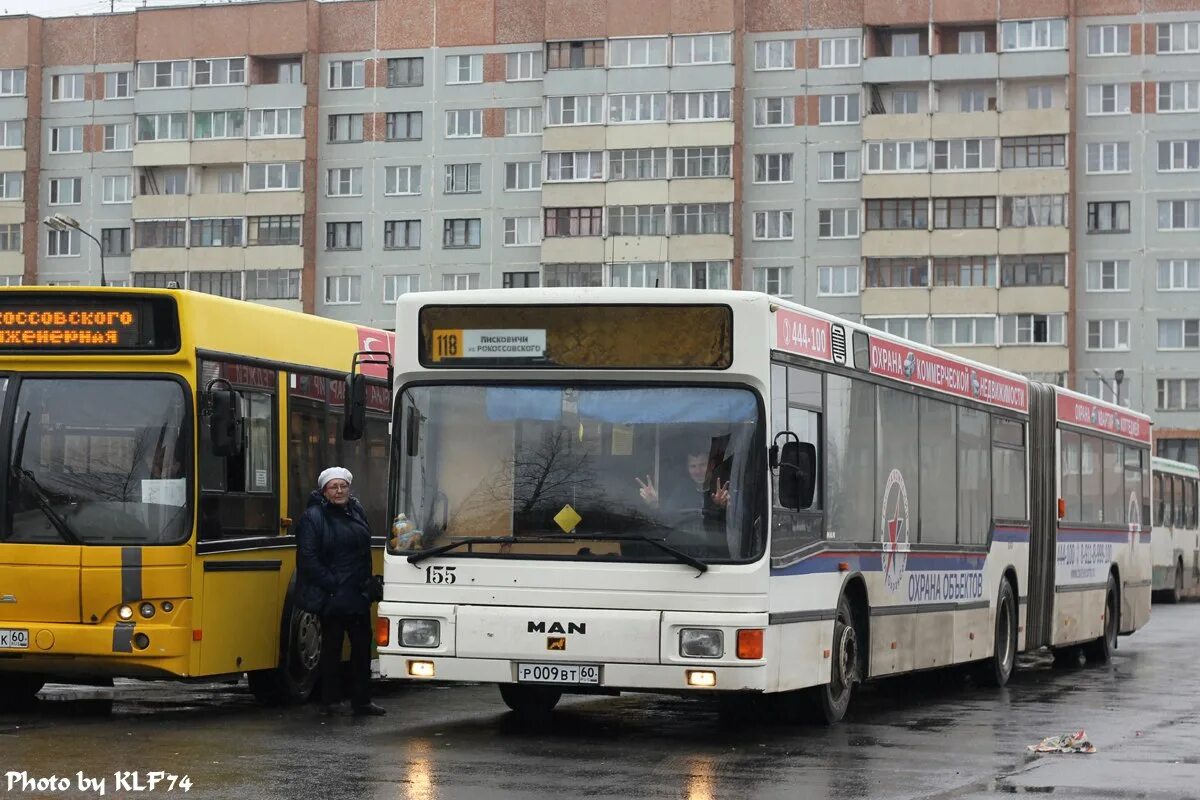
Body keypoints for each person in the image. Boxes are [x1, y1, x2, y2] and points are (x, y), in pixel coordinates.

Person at [295, 466, 386, 717]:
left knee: (361, 650)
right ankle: (330, 700)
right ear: (324, 491)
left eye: (343, 486)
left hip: (357, 594)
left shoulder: (356, 511)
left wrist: (366, 584)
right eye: (333, 487)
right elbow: (308, 558)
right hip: (332, 596)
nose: (339, 491)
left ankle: (362, 700)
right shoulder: (313, 517)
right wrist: (333, 583)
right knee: (331, 650)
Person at [636, 449, 730, 524]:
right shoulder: (682, 490)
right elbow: (667, 520)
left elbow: (738, 523)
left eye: (702, 465)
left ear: (711, 465)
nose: (697, 471)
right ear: (687, 468)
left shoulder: (725, 487)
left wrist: (722, 507)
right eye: (693, 466)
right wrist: (654, 504)